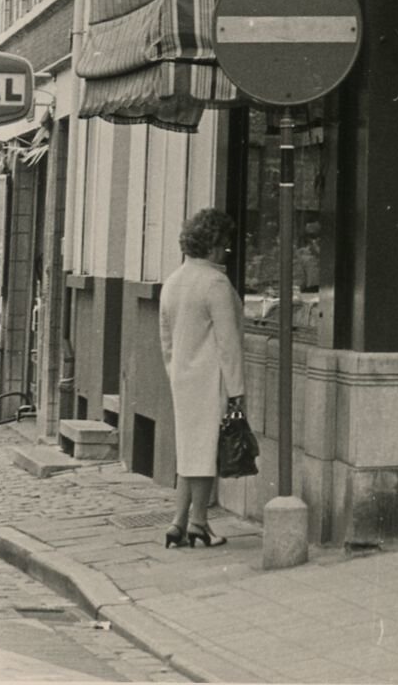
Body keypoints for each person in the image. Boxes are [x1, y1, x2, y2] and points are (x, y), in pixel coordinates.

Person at [158, 208, 245, 548]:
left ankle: (178, 523)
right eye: (223, 244)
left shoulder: (173, 282)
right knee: (206, 452)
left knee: (190, 451)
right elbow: (229, 344)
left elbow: (165, 341)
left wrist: (176, 371)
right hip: (212, 379)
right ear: (212, 246)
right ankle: (199, 522)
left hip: (183, 377)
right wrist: (237, 391)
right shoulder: (215, 283)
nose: (226, 251)